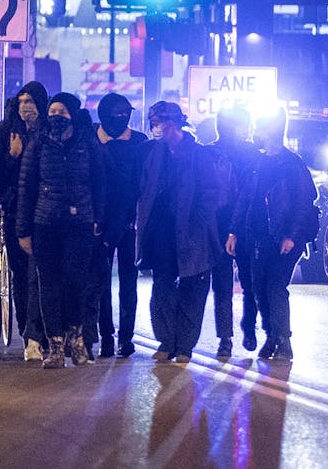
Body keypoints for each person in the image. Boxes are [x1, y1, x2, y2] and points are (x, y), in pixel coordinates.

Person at [17, 93, 105, 369]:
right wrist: (23, 230)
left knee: (76, 283)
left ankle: (77, 342)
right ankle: (54, 346)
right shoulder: (38, 143)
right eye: (52, 111)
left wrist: (97, 218)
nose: (55, 116)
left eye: (62, 111)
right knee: (49, 285)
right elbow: (26, 188)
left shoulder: (87, 143)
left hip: (79, 225)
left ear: (73, 115)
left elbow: (100, 183)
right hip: (46, 224)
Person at [227, 109, 317, 362]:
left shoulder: (292, 164)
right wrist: (234, 231)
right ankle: (271, 336)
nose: (256, 134)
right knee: (259, 288)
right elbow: (244, 199)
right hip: (258, 237)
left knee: (276, 286)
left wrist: (291, 235)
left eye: (260, 129)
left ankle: (284, 341)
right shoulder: (258, 162)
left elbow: (304, 202)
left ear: (271, 132)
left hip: (285, 239)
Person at [137, 100, 222, 365]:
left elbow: (211, 195)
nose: (154, 128)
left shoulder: (198, 156)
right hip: (161, 233)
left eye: (157, 123)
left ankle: (184, 346)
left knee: (191, 291)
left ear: (172, 124)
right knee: (162, 287)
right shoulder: (153, 154)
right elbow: (144, 189)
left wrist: (197, 226)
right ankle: (167, 341)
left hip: (192, 234)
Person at [0, 81, 51, 360]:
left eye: (32, 102)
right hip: (14, 215)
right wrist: (12, 156)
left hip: (46, 214)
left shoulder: (50, 132)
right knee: (22, 276)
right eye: (23, 101)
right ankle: (28, 332)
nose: (27, 108)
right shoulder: (5, 133)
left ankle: (45, 332)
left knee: (45, 276)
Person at [89, 93, 149, 359]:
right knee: (100, 282)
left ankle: (126, 338)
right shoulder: (90, 139)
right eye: (116, 113)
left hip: (128, 223)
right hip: (98, 223)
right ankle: (106, 337)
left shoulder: (139, 142)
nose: (121, 117)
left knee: (128, 282)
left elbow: (144, 184)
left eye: (126, 112)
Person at [208, 106, 261, 357]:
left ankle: (227, 337)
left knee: (225, 285)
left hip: (224, 225)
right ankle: (243, 331)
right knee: (246, 284)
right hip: (242, 226)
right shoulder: (250, 154)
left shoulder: (212, 152)